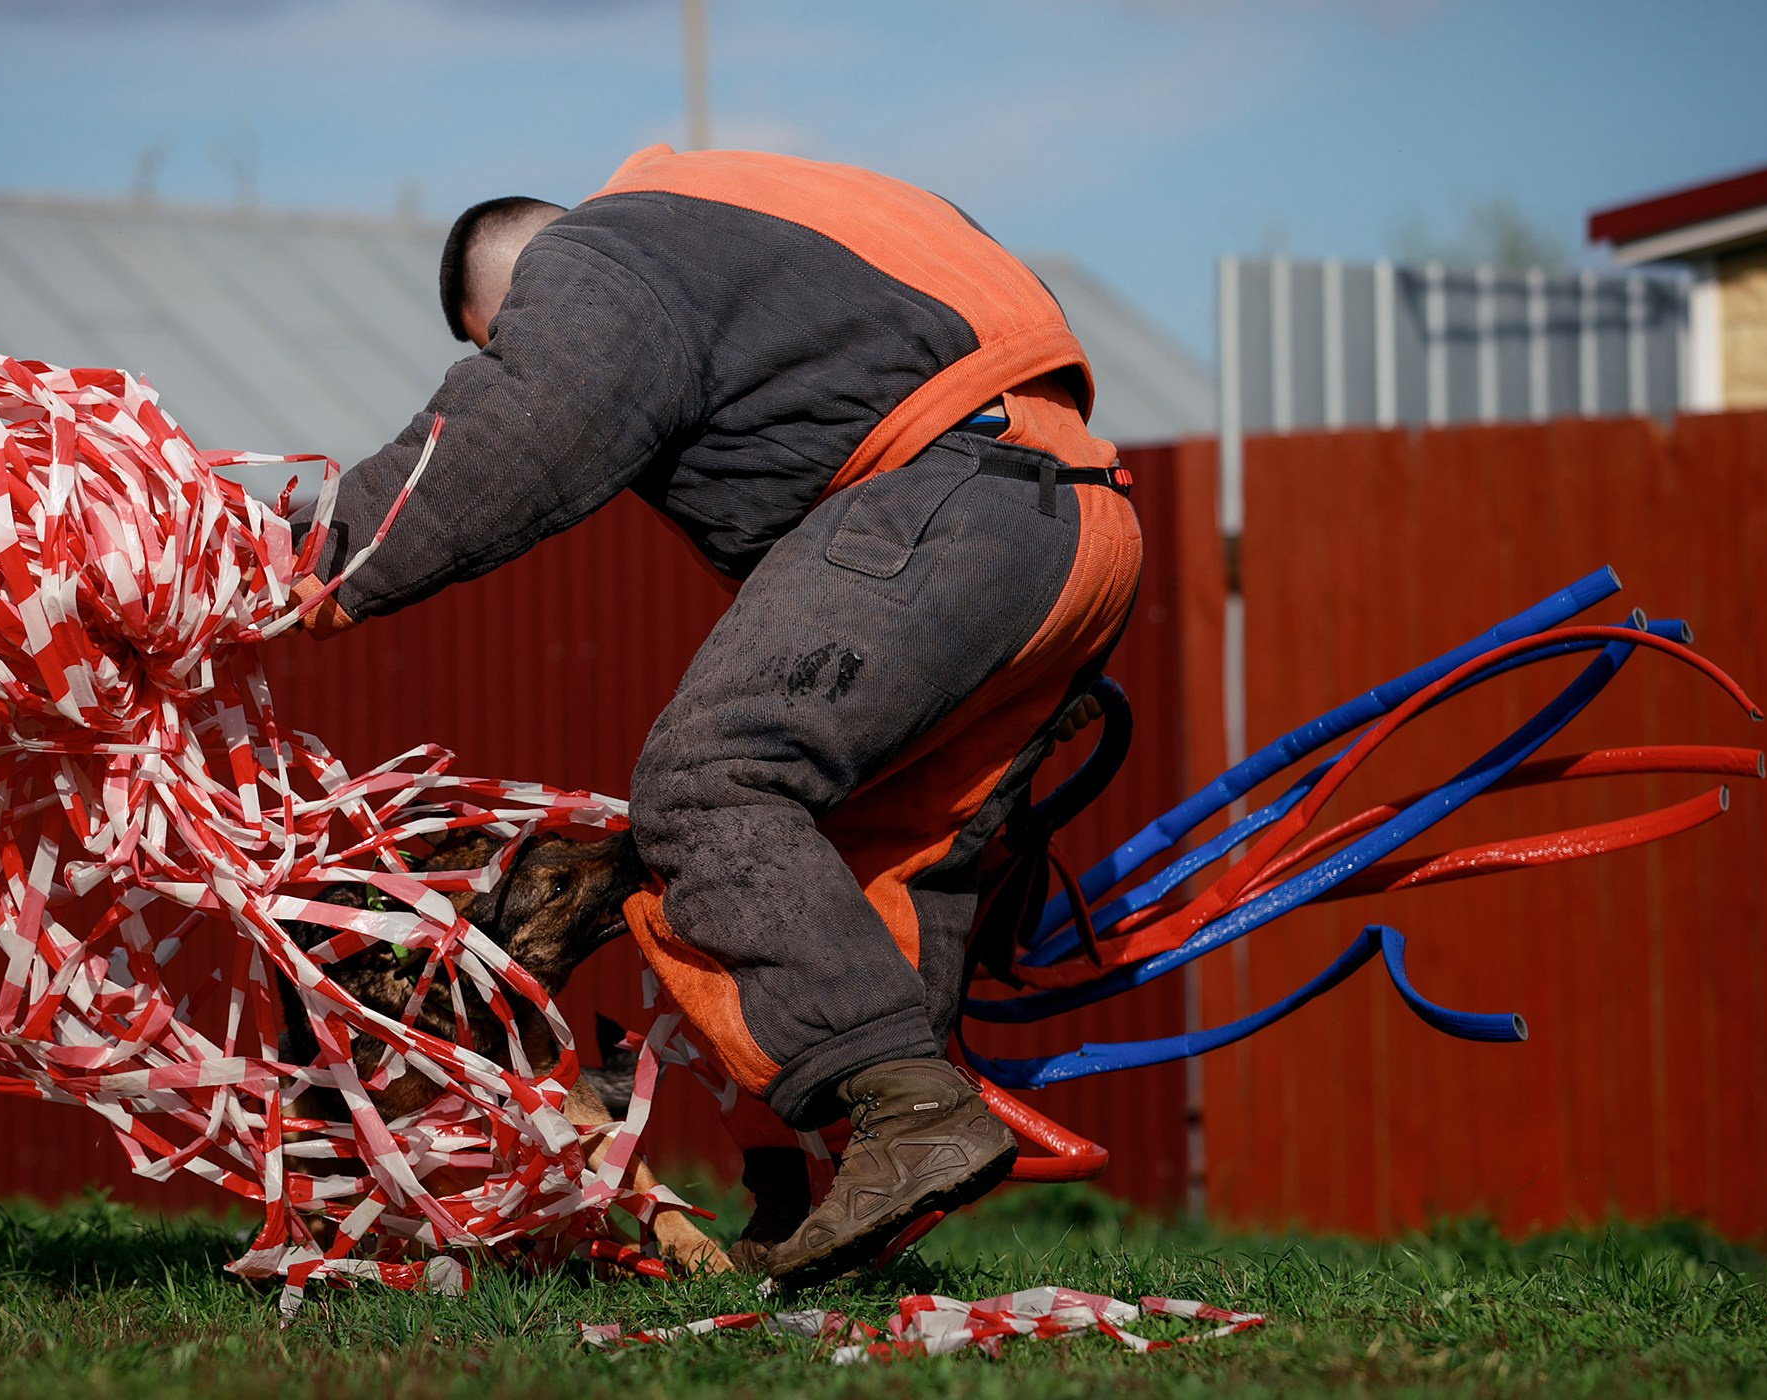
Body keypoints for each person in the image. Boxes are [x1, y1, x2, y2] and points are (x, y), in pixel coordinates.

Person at [294, 146, 1141, 1287]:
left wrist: (305, 561)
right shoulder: (750, 209)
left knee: (711, 782)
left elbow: (515, 427)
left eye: (500, 335)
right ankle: (837, 1202)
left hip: (948, 501)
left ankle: (908, 1115)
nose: (516, 344)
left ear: (513, 288)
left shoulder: (599, 256)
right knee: (888, 860)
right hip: (1076, 521)